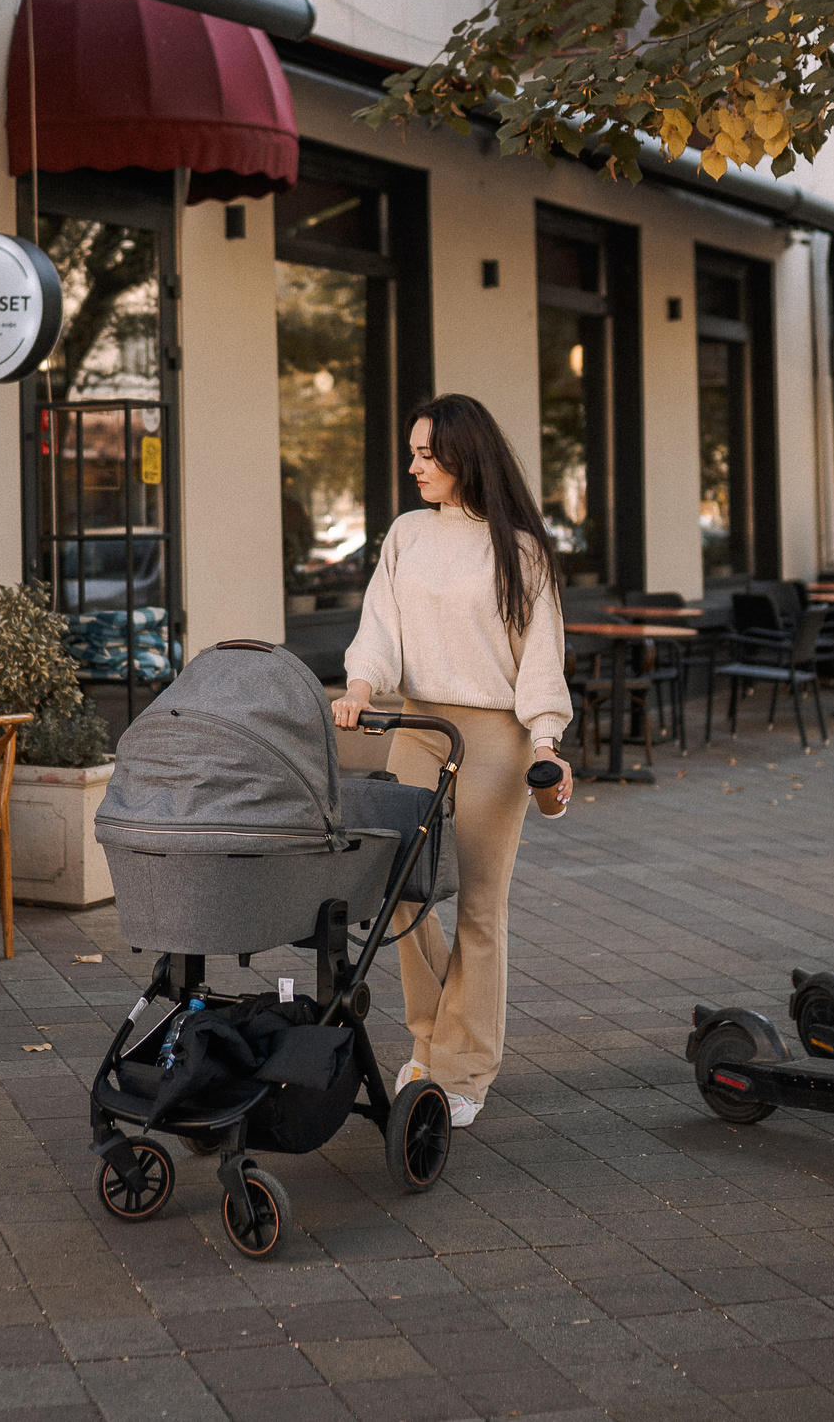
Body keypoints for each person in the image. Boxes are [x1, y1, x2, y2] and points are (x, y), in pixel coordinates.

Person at [330, 394, 574, 1130]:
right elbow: (381, 623)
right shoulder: (407, 534)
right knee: (401, 890)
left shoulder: (521, 551)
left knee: (478, 905)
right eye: (413, 452)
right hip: (418, 724)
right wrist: (360, 686)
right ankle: (433, 1035)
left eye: (426, 454)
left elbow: (541, 659)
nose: (413, 466)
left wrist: (545, 743)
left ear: (465, 456)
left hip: (496, 737)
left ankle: (465, 1067)